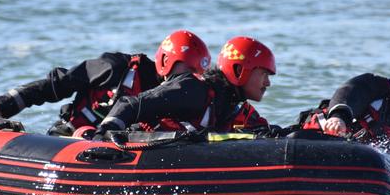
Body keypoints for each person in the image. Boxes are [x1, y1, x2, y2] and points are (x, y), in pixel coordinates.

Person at [0, 30, 211, 136]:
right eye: (188, 69)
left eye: (196, 72)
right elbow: (57, 84)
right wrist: (1, 106)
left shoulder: (178, 98)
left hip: (120, 154)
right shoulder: (116, 68)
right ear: (165, 61)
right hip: (68, 140)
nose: (190, 78)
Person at [94, 36, 276, 137]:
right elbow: (130, 105)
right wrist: (100, 139)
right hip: (141, 154)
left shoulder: (234, 106)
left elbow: (269, 137)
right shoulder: (195, 90)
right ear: (240, 70)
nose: (267, 83)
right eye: (264, 74)